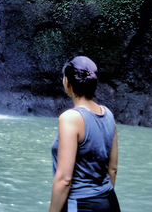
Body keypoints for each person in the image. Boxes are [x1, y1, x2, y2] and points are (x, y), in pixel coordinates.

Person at [48, 56, 120, 212]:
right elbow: (113, 169)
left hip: (81, 204)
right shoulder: (108, 115)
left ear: (67, 82)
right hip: (109, 201)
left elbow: (64, 179)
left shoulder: (70, 118)